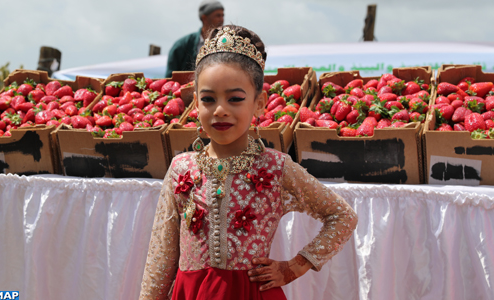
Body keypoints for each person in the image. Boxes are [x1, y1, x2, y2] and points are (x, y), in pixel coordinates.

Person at [139, 25, 358, 300]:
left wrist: (293, 267)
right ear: (195, 104)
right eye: (208, 99)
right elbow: (160, 258)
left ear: (259, 103)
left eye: (235, 99)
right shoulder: (181, 169)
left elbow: (343, 217)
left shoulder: (275, 168)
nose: (220, 110)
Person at [165, 0, 224, 78]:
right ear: (204, 18)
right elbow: (169, 80)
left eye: (223, 15)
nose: (222, 19)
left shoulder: (225, 43)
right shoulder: (181, 46)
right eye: (218, 15)